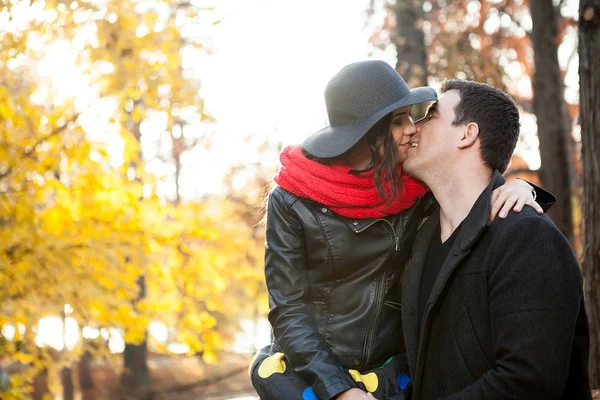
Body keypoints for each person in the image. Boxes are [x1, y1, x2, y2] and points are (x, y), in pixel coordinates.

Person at [250, 61, 549, 400]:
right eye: (397, 121)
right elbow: (288, 309)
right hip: (315, 372)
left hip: (390, 372)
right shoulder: (291, 200)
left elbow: (470, 184)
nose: (412, 129)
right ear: (365, 134)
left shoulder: (416, 187)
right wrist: (340, 390)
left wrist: (521, 188)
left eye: (411, 116)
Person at [400, 79, 591, 400]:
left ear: (467, 134)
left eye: (431, 115)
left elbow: (528, 383)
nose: (414, 128)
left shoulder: (527, 237)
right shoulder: (419, 239)